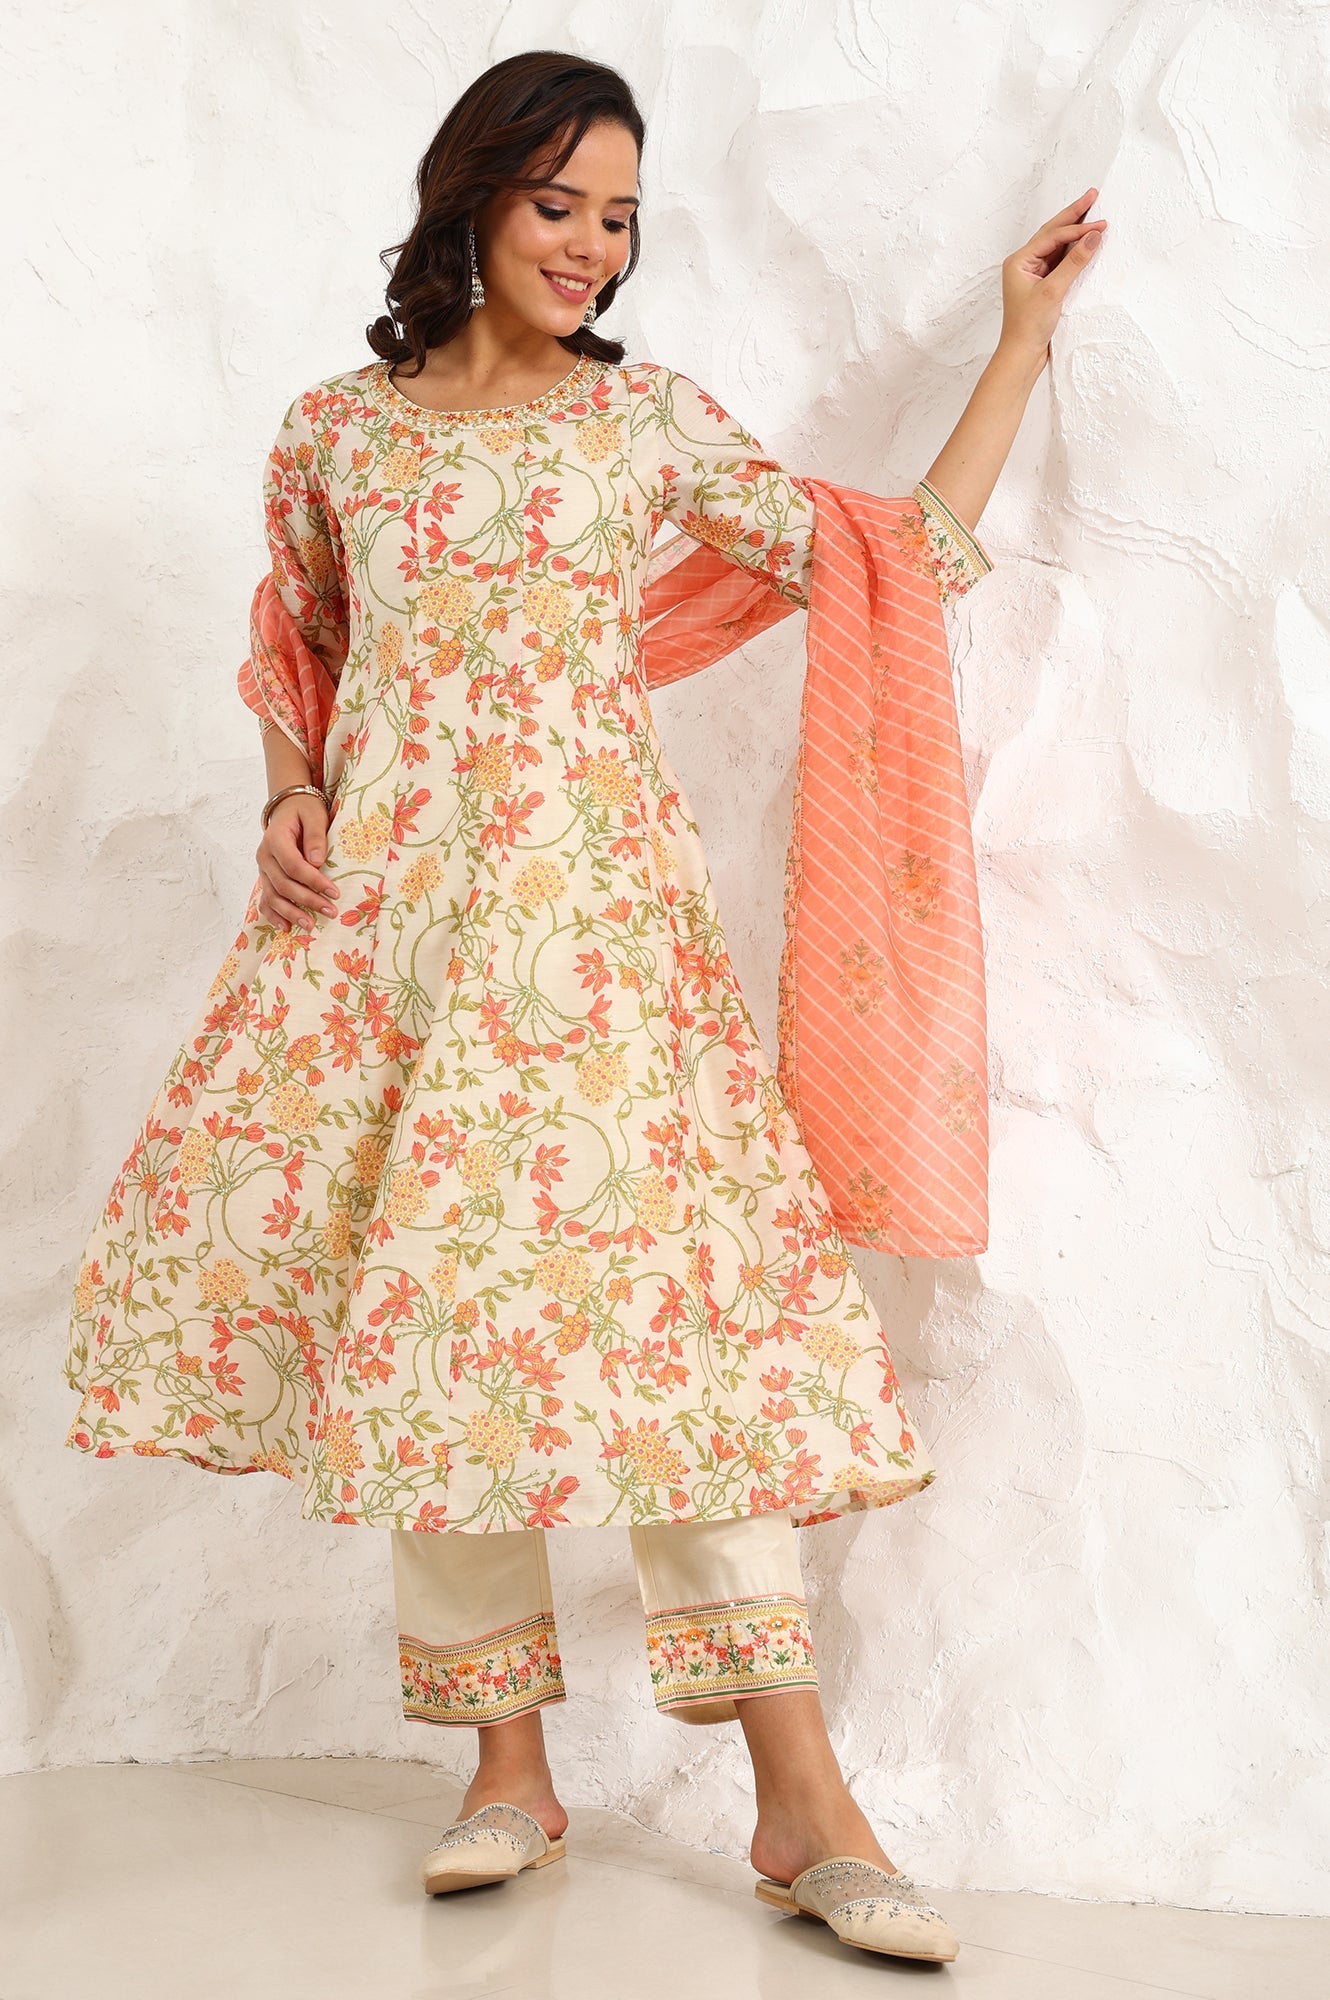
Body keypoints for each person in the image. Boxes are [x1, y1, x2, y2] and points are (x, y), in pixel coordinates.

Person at [64, 50, 1103, 1967]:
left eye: (619, 218)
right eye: (560, 206)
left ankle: (804, 1805)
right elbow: (298, 643)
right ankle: (506, 1775)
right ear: (470, 199)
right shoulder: (336, 435)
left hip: (600, 948)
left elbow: (896, 562)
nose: (593, 248)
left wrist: (1018, 344)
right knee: (436, 1326)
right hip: (388, 944)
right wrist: (285, 797)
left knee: (673, 1341)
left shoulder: (645, 427)